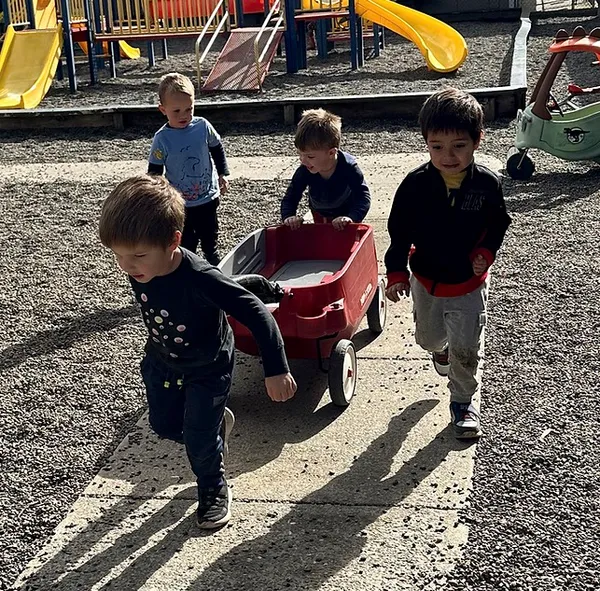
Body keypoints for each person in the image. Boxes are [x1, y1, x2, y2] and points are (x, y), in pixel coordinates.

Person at [98, 175, 297, 528]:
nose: (127, 266)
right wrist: (138, 259)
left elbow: (256, 313)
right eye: (118, 255)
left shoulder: (200, 277)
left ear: (174, 241)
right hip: (162, 361)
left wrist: (276, 368)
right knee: (163, 425)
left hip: (208, 366)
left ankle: (213, 487)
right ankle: (215, 426)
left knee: (199, 440)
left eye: (138, 256)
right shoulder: (142, 265)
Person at [384, 88, 511, 440]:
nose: (448, 155)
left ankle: (462, 402)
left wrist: (485, 252)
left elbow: (498, 222)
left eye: (459, 145)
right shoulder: (414, 185)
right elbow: (399, 231)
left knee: (466, 347)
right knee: (429, 338)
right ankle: (438, 352)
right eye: (437, 146)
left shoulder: (486, 184)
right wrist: (395, 272)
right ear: (426, 143)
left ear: (477, 141)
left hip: (468, 283)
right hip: (425, 279)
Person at [148, 72, 229, 265]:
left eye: (189, 109)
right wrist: (157, 196)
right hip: (181, 202)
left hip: (207, 196)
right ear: (163, 109)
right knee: (187, 243)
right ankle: (189, 271)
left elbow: (217, 147)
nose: (184, 115)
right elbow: (155, 170)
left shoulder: (202, 126)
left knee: (210, 237)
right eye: (177, 111)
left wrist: (223, 173)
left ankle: (214, 266)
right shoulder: (162, 139)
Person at [281, 108, 371, 231]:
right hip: (319, 213)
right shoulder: (305, 170)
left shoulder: (349, 167)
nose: (302, 160)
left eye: (310, 156)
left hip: (346, 216)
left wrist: (352, 217)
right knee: (323, 242)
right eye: (300, 154)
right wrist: (289, 216)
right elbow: (291, 196)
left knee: (344, 244)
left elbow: (363, 196)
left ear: (331, 153)